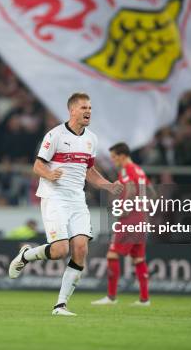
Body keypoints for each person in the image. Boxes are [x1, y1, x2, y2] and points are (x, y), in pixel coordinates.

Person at [8, 92, 122, 316]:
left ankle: (60, 305)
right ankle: (26, 256)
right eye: (83, 108)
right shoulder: (56, 135)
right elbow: (38, 166)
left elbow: (89, 171)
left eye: (89, 108)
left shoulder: (91, 139)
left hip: (77, 200)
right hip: (54, 197)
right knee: (61, 250)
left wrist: (108, 185)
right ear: (72, 111)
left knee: (80, 249)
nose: (88, 111)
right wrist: (50, 175)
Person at [92, 142, 154, 306]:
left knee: (112, 255)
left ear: (122, 155)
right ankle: (144, 299)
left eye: (114, 157)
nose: (113, 161)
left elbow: (132, 189)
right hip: (141, 219)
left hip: (130, 219)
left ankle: (111, 297)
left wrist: (124, 209)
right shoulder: (139, 170)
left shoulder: (127, 169)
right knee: (139, 259)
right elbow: (151, 191)